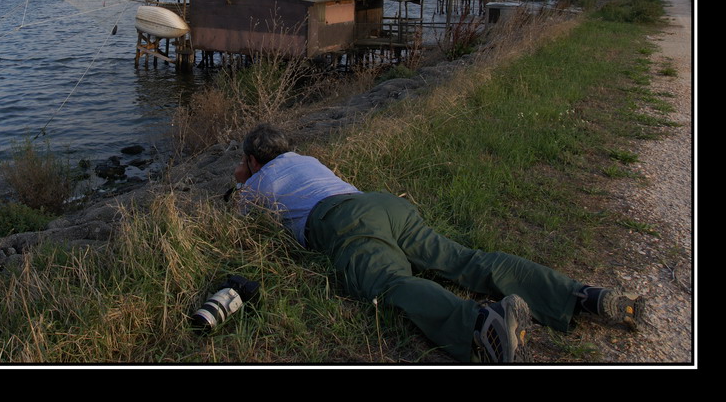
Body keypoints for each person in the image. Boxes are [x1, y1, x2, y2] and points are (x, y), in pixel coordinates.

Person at [233, 123, 644, 363]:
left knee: (389, 283)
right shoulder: (308, 160)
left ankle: (482, 325)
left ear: (254, 160)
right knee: (465, 259)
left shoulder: (257, 182)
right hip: (382, 204)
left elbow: (241, 217)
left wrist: (243, 179)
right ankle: (581, 296)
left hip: (342, 221)